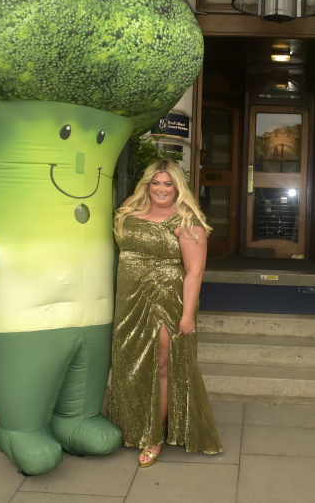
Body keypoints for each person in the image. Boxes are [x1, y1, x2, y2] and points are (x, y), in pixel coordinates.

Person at [109, 159, 223, 468]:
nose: (161, 189)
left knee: (161, 367)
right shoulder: (132, 205)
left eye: (168, 184)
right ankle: (130, 424)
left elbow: (194, 272)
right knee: (128, 362)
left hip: (166, 300)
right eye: (156, 183)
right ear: (148, 184)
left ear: (177, 188)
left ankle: (153, 437)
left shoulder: (187, 222)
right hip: (129, 299)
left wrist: (187, 317)